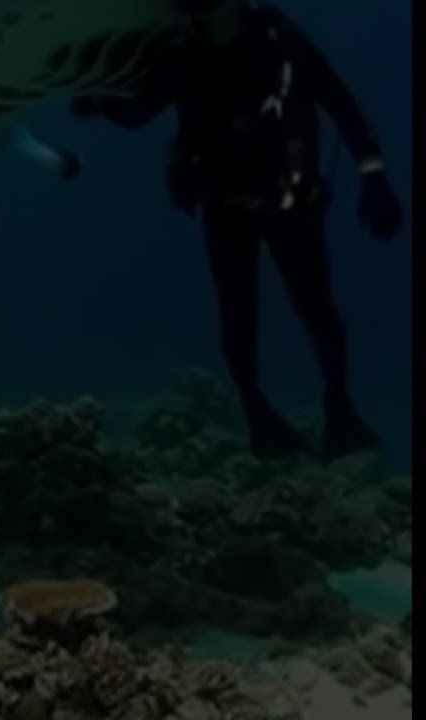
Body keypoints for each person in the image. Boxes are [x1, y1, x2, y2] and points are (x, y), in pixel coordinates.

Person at [70, 0, 403, 463]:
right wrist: (96, 98)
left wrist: (373, 172)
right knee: (239, 312)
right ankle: (257, 413)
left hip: (292, 202)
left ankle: (340, 409)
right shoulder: (183, 53)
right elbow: (138, 111)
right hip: (225, 205)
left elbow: (340, 100)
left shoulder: (279, 38)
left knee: (317, 308)